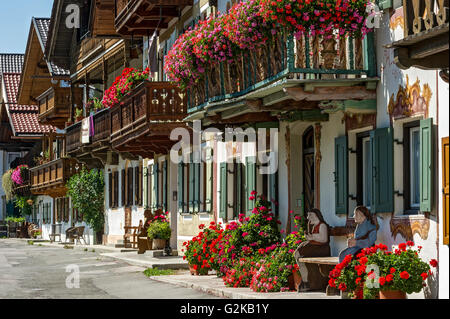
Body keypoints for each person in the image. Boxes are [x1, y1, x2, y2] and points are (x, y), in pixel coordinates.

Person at [294, 208, 331, 292]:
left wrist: (312, 237)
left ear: (316, 216)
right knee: (299, 255)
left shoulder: (322, 225)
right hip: (315, 247)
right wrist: (309, 238)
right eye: (308, 215)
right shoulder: (314, 226)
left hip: (321, 248)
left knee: (299, 254)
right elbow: (314, 239)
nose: (308, 218)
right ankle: (307, 281)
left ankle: (307, 281)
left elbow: (324, 239)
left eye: (310, 215)